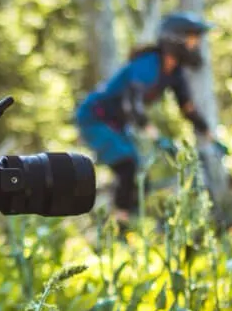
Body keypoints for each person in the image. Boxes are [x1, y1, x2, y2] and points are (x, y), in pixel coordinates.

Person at [75, 13, 214, 220]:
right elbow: (132, 103)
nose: (196, 44)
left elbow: (187, 108)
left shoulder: (174, 73)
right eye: (192, 38)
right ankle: (116, 228)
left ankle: (120, 218)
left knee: (140, 179)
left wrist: (209, 134)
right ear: (176, 39)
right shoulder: (148, 63)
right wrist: (156, 137)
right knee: (127, 165)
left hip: (116, 123)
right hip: (95, 117)